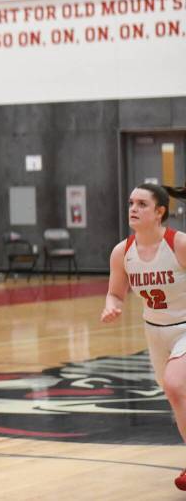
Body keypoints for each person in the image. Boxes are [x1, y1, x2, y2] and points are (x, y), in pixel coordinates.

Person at [102, 183, 186, 489]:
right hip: (155, 333)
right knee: (177, 397)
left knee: (176, 387)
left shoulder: (179, 244)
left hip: (185, 327)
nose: (133, 209)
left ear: (160, 212)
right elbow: (115, 293)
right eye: (131, 203)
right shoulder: (122, 252)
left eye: (142, 204)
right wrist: (111, 307)